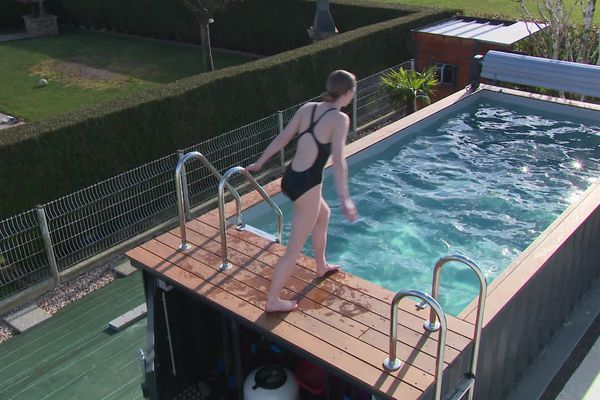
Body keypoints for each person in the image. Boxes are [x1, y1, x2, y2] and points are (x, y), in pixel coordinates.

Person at [247, 70, 359, 312]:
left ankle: (321, 266)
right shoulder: (340, 120)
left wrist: (260, 162)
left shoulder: (308, 108)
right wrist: (346, 199)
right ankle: (272, 301)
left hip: (291, 178)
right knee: (294, 248)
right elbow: (339, 162)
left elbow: (283, 138)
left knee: (323, 215)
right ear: (348, 93)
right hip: (307, 185)